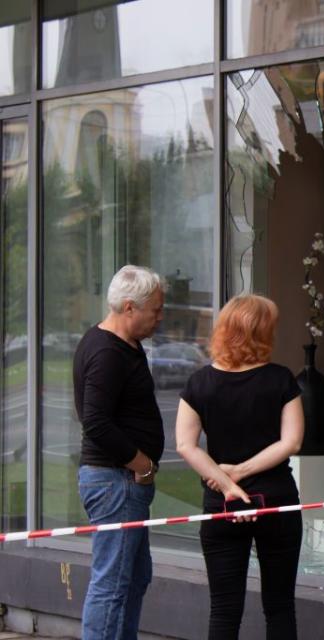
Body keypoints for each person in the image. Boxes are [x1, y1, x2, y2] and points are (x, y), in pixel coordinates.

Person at [175, 294, 304, 639]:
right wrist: (240, 474)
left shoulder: (198, 383)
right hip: (277, 499)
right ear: (262, 333)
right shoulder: (280, 379)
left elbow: (185, 445)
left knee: (224, 608)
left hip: (221, 504)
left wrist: (227, 482)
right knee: (280, 606)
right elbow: (291, 442)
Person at [73, 265, 165, 640]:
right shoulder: (106, 352)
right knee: (112, 584)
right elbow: (94, 421)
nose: (160, 317)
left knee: (135, 576)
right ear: (130, 307)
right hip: (116, 482)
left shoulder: (125, 345)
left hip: (121, 482)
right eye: (155, 310)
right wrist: (140, 464)